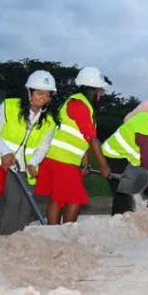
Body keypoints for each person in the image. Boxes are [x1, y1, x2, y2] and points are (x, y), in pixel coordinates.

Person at [0, 70, 58, 235]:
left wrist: (34, 163)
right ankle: (4, 239)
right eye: (39, 93)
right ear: (29, 91)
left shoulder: (49, 121)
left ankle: (18, 239)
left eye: (48, 94)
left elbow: (43, 147)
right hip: (4, 164)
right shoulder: (9, 106)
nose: (44, 97)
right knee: (14, 201)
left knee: (27, 204)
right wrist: (6, 152)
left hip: (26, 167)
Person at [35, 66, 111, 225]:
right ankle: (65, 232)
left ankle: (53, 232)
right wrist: (104, 166)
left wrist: (84, 161)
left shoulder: (79, 103)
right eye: (100, 90)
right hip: (62, 161)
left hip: (57, 159)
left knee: (58, 198)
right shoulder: (79, 104)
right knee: (75, 198)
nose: (101, 94)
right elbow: (92, 139)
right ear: (93, 90)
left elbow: (79, 136)